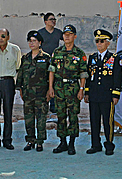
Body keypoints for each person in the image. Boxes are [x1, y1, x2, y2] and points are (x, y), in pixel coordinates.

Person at [47, 25, 88, 155]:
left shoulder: (79, 53)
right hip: (59, 88)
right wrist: (50, 87)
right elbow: (52, 71)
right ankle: (62, 142)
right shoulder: (57, 52)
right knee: (61, 116)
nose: (67, 36)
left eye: (70, 34)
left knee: (73, 116)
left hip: (73, 88)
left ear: (74, 36)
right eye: (65, 34)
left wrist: (82, 89)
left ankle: (71, 143)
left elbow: (83, 73)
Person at [85, 29, 122, 156]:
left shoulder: (114, 58)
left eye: (102, 41)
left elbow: (117, 77)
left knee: (108, 122)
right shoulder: (92, 58)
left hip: (107, 95)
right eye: (97, 41)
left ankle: (109, 144)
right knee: (94, 121)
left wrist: (116, 94)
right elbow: (89, 76)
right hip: (94, 95)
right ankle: (95, 144)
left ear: (108, 43)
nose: (99, 44)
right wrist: (87, 92)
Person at [0, 28, 22, 150]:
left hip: (8, 82)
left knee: (8, 112)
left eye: (3, 36)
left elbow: (18, 67)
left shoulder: (15, 49)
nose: (0, 38)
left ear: (8, 36)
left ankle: (7, 140)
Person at [16, 31, 50, 152]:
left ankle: (40, 142)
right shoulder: (25, 58)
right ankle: (30, 140)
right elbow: (20, 75)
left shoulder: (46, 58)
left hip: (41, 94)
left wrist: (49, 91)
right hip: (28, 94)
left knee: (41, 119)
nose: (32, 43)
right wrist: (20, 88)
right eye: (30, 41)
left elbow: (50, 76)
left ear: (40, 43)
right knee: (29, 119)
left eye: (34, 41)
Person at [38, 12, 63, 119]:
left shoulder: (58, 33)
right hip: (43, 62)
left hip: (55, 62)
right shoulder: (40, 33)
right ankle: (44, 105)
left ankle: (53, 105)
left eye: (54, 19)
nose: (53, 21)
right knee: (44, 82)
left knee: (54, 83)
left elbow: (66, 42)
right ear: (45, 21)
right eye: (51, 19)